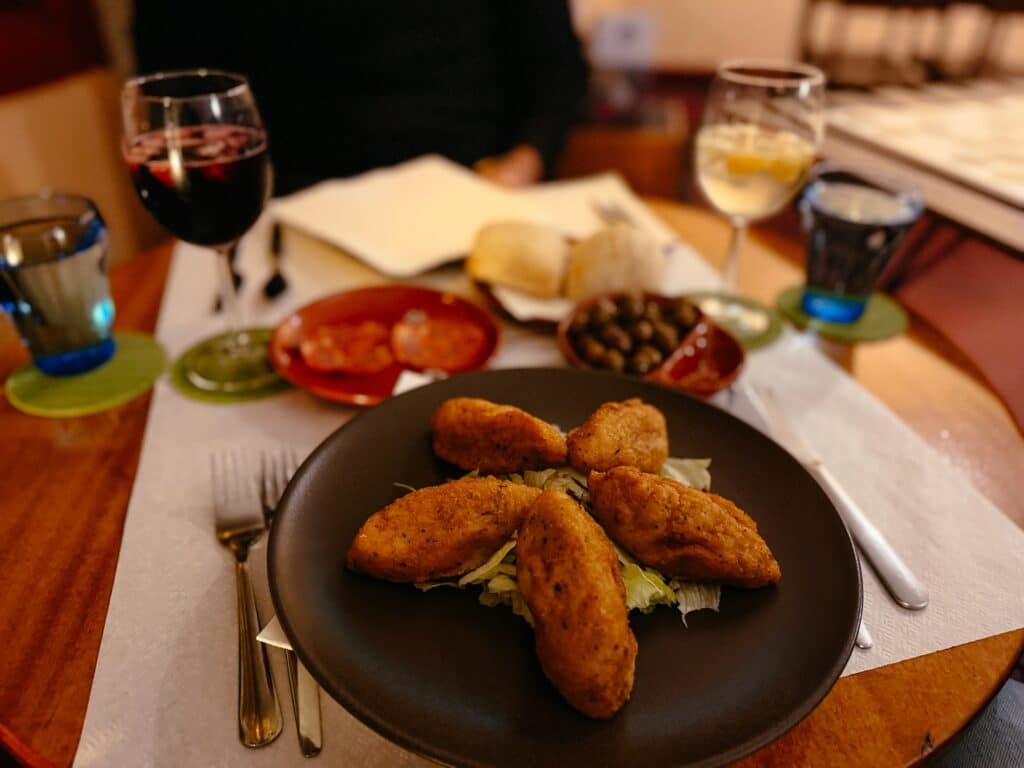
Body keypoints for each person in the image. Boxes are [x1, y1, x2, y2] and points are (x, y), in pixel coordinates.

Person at [133, 1, 588, 194]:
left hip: (474, 190)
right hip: (287, 206)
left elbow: (558, 72)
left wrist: (523, 165)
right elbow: (171, 93)